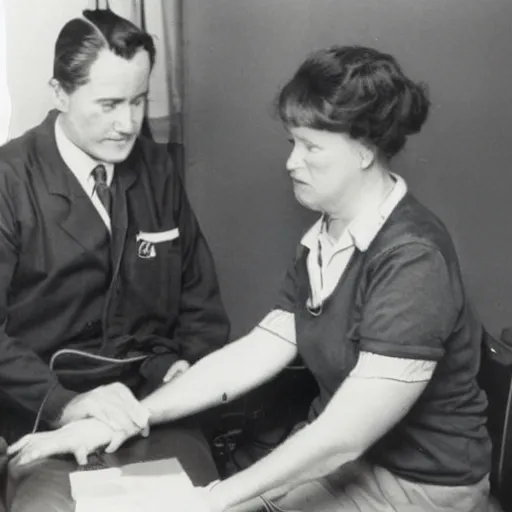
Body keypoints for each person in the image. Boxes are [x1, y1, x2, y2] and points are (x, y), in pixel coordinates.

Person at [9, 45, 493, 511]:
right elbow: (257, 351)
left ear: (365, 151)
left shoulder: (413, 257)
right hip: (345, 465)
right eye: (292, 142)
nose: (291, 162)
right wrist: (131, 418)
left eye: (311, 147)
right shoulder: (328, 232)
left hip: (416, 489)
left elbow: (346, 434)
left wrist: (213, 499)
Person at [0, 7, 229, 511]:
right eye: (107, 104)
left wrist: (186, 366)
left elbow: (200, 300)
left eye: (139, 101)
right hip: (44, 411)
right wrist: (67, 404)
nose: (127, 124)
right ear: (59, 93)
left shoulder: (155, 169)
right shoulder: (8, 181)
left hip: (149, 409)